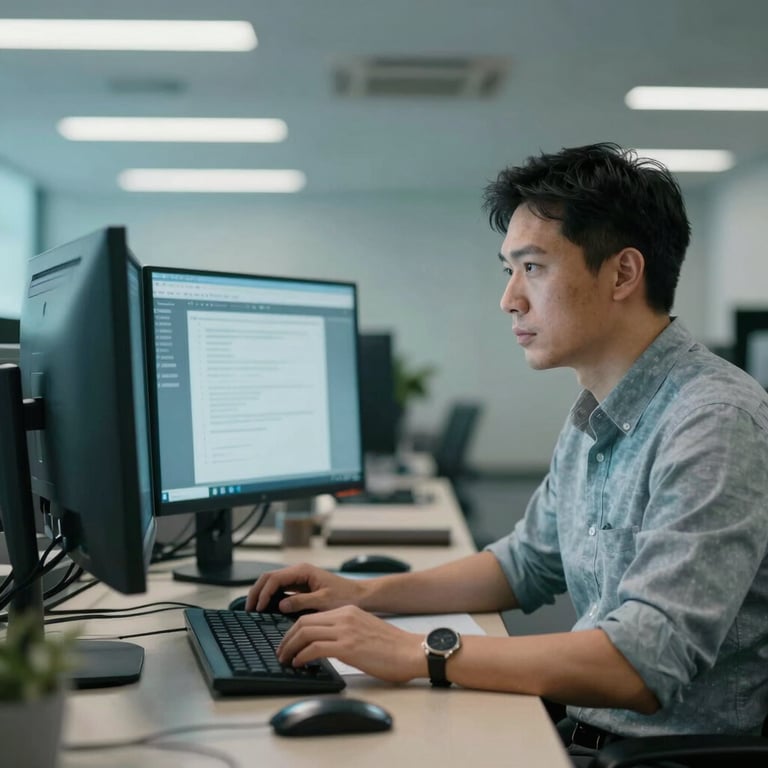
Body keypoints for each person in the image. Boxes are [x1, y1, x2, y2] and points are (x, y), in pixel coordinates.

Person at [247, 143, 768, 764]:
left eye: (534, 268)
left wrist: (420, 652)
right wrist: (360, 593)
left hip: (656, 757)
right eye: (508, 270)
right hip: (584, 731)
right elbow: (522, 564)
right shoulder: (597, 410)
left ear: (623, 274)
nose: (510, 299)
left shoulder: (713, 421)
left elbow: (642, 663)